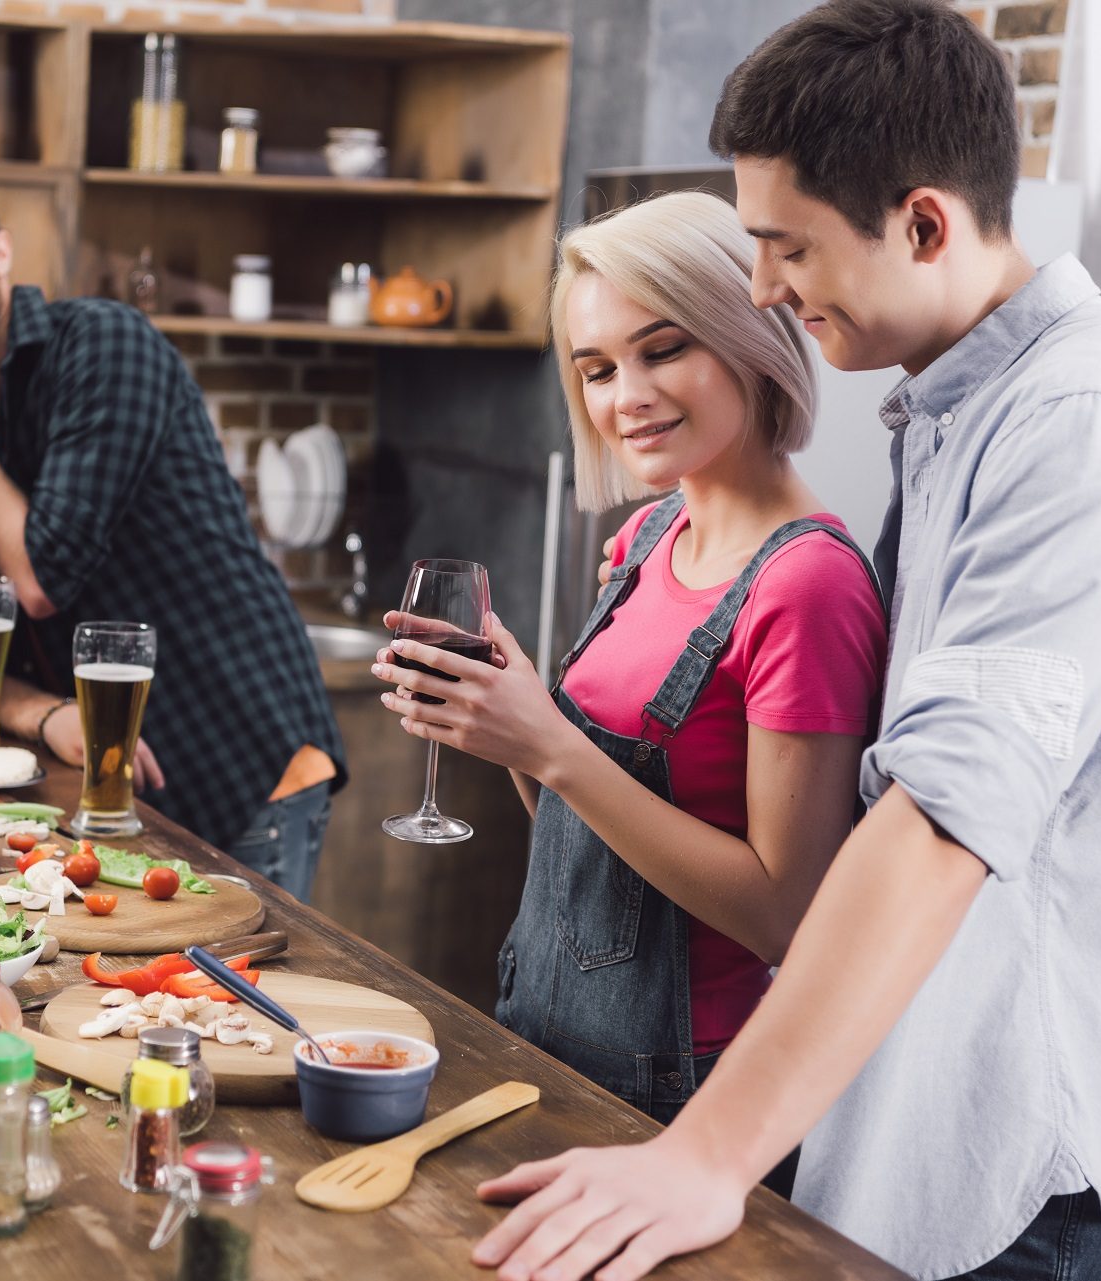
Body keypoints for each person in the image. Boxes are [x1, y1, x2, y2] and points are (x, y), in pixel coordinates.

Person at [468, 4, 1101, 1281]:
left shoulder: (1088, 424)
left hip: (1050, 1169)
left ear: (925, 224)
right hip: (937, 1130)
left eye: (785, 248)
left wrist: (707, 1152)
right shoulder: (957, 412)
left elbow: (943, 812)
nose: (767, 288)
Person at [371, 192, 886, 1197]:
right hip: (547, 1029)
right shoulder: (648, 540)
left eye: (662, 349)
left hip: (689, 1087)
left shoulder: (807, 585)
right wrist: (514, 728)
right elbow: (580, 819)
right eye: (597, 368)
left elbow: (786, 914)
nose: (626, 395)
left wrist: (551, 745)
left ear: (748, 333)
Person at [0, 164, 346, 898]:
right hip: (113, 795)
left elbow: (38, 578)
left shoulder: (100, 343)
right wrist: (46, 710)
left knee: (241, 1004)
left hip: (240, 765)